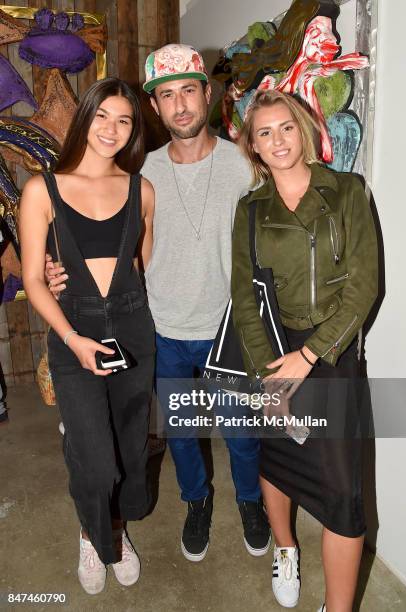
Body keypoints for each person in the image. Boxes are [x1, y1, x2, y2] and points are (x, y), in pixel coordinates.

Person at [47, 44, 271, 563]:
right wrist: (52, 270)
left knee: (240, 435)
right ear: (154, 107)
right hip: (162, 329)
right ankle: (196, 502)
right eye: (166, 96)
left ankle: (250, 501)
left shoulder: (244, 163)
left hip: (228, 327)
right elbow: (108, 243)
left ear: (206, 94)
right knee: (183, 434)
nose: (180, 106)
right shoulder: (139, 176)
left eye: (187, 91)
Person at [231, 89, 377, 610]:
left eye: (285, 127)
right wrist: (269, 373)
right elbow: (244, 296)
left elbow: (364, 286)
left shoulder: (347, 191)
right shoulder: (250, 209)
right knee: (277, 455)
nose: (278, 140)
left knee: (343, 493)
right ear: (253, 146)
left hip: (331, 352)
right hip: (272, 348)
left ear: (305, 128)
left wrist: (310, 356)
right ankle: (285, 547)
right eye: (264, 133)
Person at [20, 77, 155, 595]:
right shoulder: (42, 188)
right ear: (85, 119)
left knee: (127, 448)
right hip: (73, 331)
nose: (112, 129)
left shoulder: (141, 189)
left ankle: (114, 528)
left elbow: (143, 264)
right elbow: (34, 279)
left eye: (124, 120)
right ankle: (92, 532)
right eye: (102, 116)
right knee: (96, 463)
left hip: (132, 327)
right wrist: (73, 337)